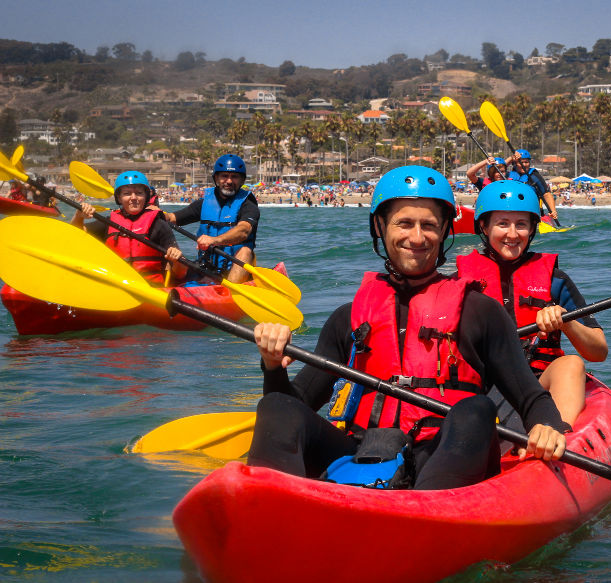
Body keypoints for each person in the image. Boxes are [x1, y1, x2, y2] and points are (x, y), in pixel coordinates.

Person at [247, 165, 568, 490]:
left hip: (443, 457)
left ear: (444, 230)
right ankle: (269, 502)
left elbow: (531, 399)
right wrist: (273, 365)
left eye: (429, 225)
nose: (417, 237)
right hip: (364, 453)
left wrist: (546, 427)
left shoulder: (480, 312)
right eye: (404, 223)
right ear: (380, 225)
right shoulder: (349, 317)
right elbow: (293, 406)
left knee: (477, 409)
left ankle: (428, 514)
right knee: (274, 406)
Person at [455, 180, 607, 426]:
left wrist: (566, 322)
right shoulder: (459, 282)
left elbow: (598, 352)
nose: (513, 234)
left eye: (521, 225)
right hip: (482, 385)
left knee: (571, 364)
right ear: (484, 226)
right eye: (502, 224)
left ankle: (558, 438)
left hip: (539, 381)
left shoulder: (556, 281)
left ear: (533, 228)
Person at [71, 171, 186, 285]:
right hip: (116, 287)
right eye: (127, 194)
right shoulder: (108, 222)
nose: (134, 198)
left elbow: (181, 274)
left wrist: (177, 260)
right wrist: (78, 216)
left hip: (150, 289)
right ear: (119, 198)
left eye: (139, 193)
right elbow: (74, 236)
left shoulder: (159, 224)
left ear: (146, 197)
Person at [163, 154, 259, 283]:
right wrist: (157, 213)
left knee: (246, 251)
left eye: (234, 177)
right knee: (173, 254)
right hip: (205, 267)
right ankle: (165, 287)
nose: (229, 181)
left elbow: (244, 230)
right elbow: (172, 218)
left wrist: (215, 240)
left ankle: (229, 293)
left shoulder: (248, 205)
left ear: (242, 181)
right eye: (224, 176)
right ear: (216, 178)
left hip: (234, 270)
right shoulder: (204, 203)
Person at [508, 149, 557, 221]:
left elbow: (546, 194)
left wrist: (553, 211)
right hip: (513, 210)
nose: (524, 165)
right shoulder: (509, 174)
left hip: (532, 212)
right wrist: (511, 158)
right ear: (515, 163)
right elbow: (498, 167)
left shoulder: (534, 176)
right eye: (521, 162)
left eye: (526, 162)